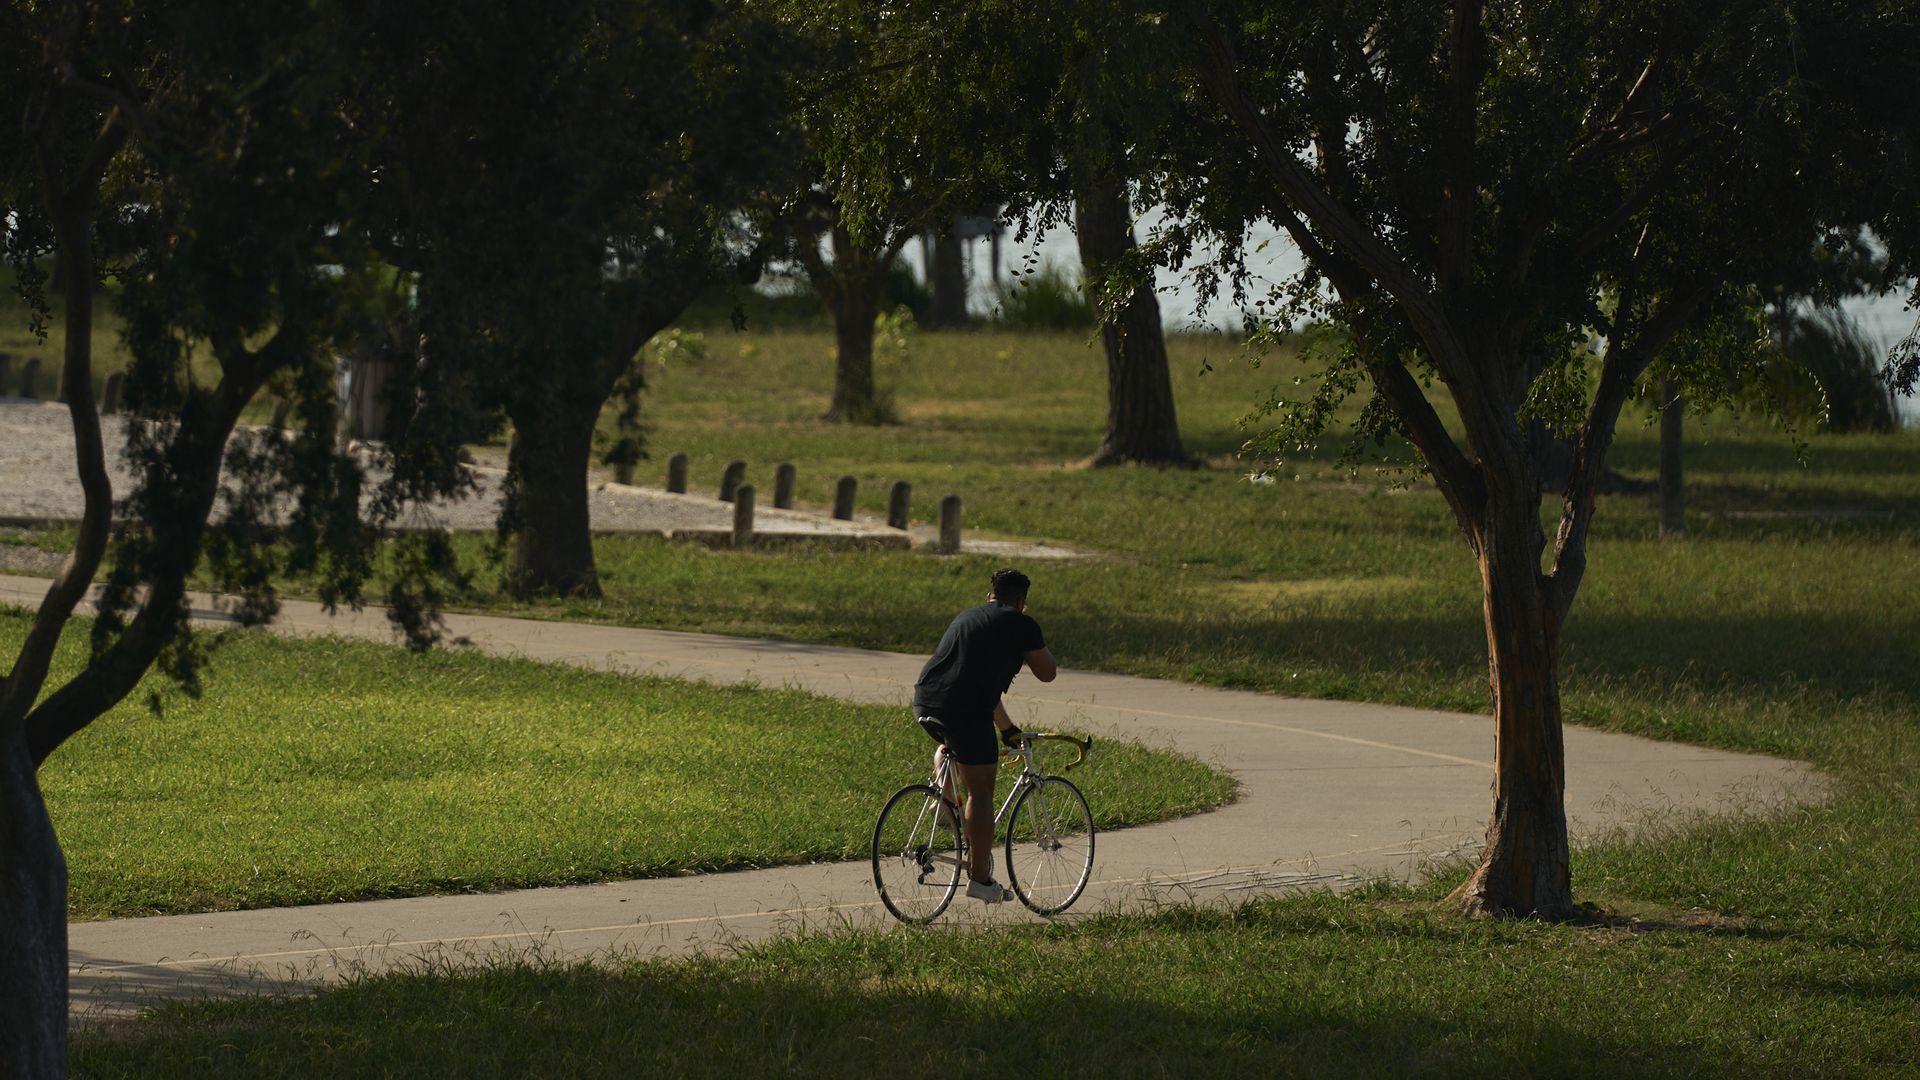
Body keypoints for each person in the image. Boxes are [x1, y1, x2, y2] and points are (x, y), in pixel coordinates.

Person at [913, 567, 1057, 902]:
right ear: (1021, 601)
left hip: (927, 701)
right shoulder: (1021, 623)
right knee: (981, 791)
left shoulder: (968, 617)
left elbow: (979, 688)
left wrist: (1007, 729)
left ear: (989, 595)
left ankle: (945, 802)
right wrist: (1026, 632)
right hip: (965, 710)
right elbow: (1048, 672)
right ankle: (980, 879)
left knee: (952, 747)